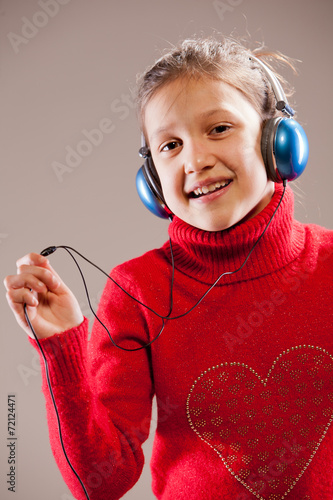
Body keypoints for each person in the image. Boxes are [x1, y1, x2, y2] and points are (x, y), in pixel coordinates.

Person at [4, 36, 333, 500]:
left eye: (218, 129)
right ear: (152, 182)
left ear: (277, 140)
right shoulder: (137, 290)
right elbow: (100, 480)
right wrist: (62, 349)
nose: (195, 161)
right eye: (171, 144)